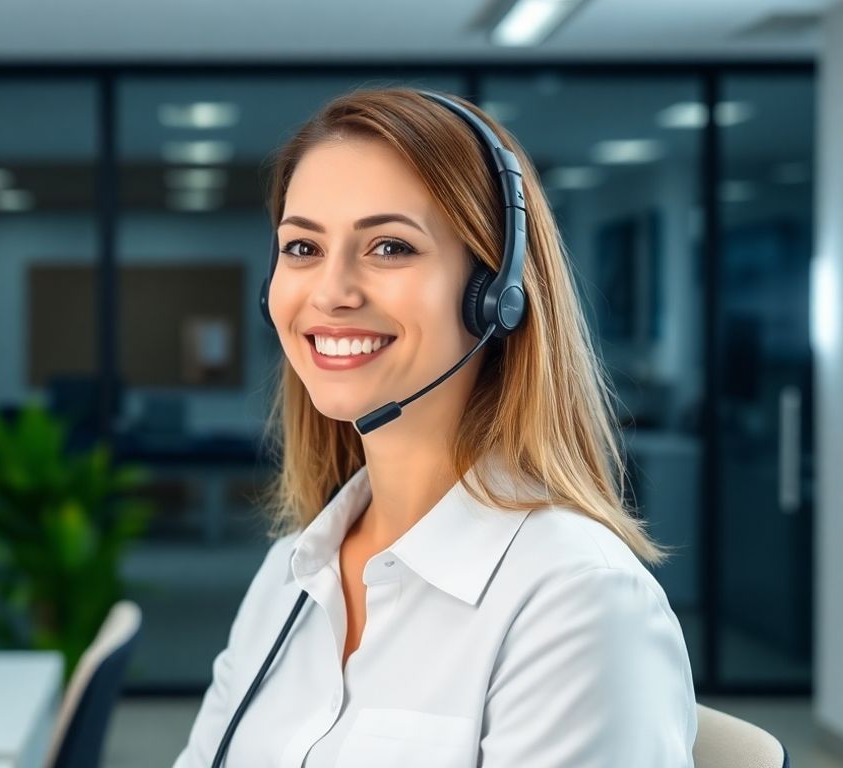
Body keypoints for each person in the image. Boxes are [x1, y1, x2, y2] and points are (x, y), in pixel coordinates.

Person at [172, 88, 696, 767]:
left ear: (495, 295)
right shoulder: (291, 573)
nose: (330, 291)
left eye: (389, 246)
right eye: (302, 247)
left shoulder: (577, 601)